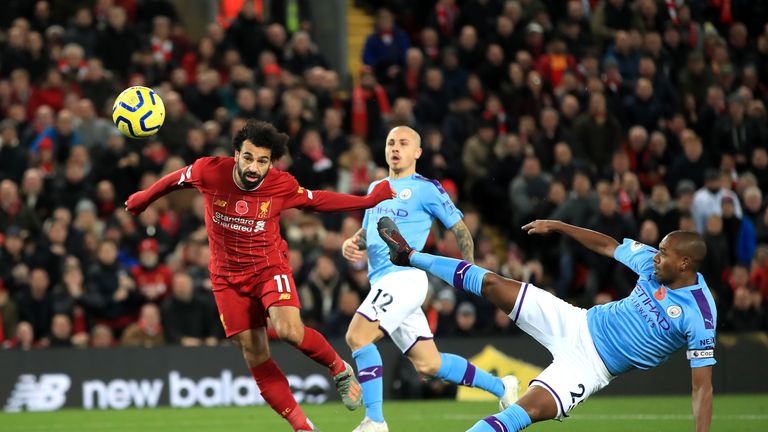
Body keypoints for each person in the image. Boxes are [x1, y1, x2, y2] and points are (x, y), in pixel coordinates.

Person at [125, 120, 396, 432]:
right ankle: (303, 427)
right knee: (254, 351)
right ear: (236, 154)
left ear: (271, 162)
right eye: (248, 158)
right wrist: (144, 197)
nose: (254, 167)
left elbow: (317, 200)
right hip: (226, 278)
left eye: (263, 161)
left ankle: (338, 368)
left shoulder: (280, 184)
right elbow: (175, 179)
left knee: (289, 330)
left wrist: (367, 200)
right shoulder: (209, 171)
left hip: (268, 268)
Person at [375, 216, 715, 432]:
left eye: (663, 253)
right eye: (657, 250)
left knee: (524, 412)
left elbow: (702, 386)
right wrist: (560, 226)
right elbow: (609, 245)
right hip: (575, 322)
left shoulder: (699, 314)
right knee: (494, 284)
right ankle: (408, 256)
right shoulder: (652, 266)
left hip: (590, 368)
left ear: (684, 263)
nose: (655, 256)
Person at [341, 126, 518, 432]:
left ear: (417, 152)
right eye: (391, 142)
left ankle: (375, 421)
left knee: (358, 336)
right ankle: (503, 387)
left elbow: (461, 230)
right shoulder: (375, 187)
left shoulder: (426, 188)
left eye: (403, 143)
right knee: (429, 364)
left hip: (404, 279)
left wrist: (471, 272)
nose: (395, 148)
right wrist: (352, 242)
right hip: (382, 281)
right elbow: (369, 229)